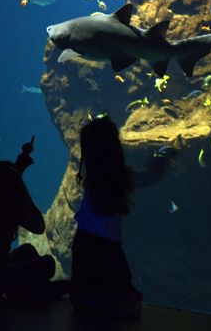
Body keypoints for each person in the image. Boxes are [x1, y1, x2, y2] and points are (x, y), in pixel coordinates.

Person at [71, 115, 173, 319]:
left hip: (85, 244)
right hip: (106, 248)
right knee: (125, 301)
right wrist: (164, 158)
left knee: (88, 300)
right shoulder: (117, 178)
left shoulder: (93, 177)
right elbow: (151, 177)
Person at [0, 136, 69, 300]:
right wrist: (23, 195)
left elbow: (5, 179)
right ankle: (28, 291)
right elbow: (39, 226)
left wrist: (23, 157)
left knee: (28, 250)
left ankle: (28, 289)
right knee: (48, 264)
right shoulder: (10, 209)